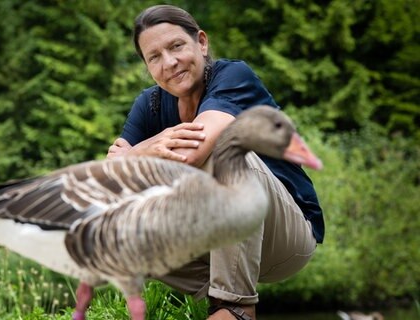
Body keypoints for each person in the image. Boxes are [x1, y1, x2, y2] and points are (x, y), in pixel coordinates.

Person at [106, 4, 324, 320]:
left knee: (226, 152)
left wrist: (133, 155)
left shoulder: (233, 76)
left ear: (202, 43)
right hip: (212, 249)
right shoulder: (149, 104)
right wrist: (146, 152)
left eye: (176, 46)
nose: (169, 62)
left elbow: (192, 150)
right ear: (147, 66)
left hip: (286, 237)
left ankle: (235, 309)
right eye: (154, 57)